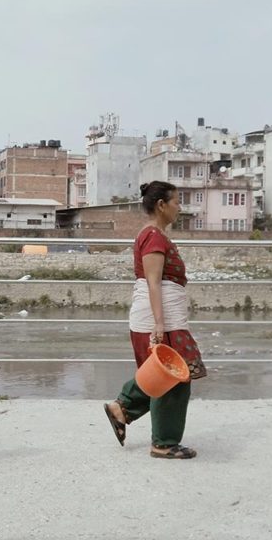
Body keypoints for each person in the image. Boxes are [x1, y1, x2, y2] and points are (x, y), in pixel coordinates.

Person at [103, 181, 206, 459]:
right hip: (160, 320)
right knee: (173, 377)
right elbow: (153, 282)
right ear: (161, 205)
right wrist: (159, 324)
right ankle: (163, 443)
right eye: (176, 202)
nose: (179, 208)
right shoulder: (154, 237)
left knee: (164, 375)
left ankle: (122, 408)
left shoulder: (154, 235)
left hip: (164, 317)